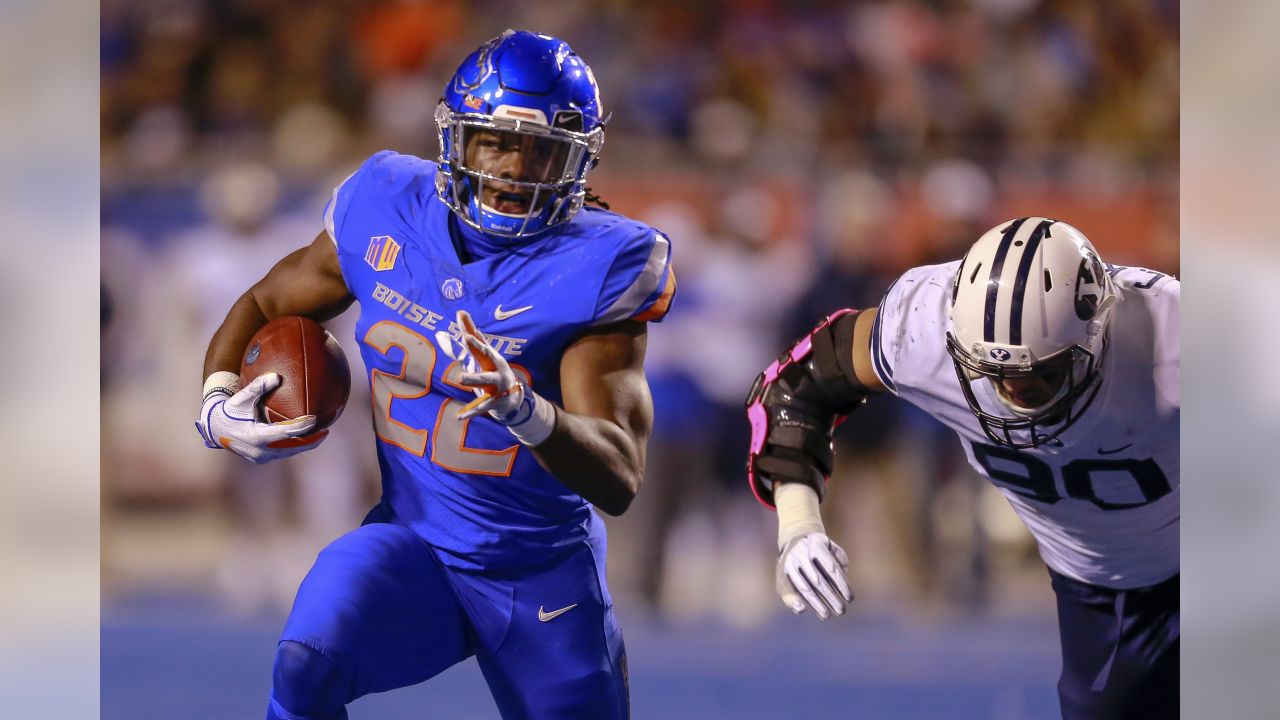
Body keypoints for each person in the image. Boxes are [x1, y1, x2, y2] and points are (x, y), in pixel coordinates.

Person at [195, 30, 676, 720]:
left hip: (540, 574)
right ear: (456, 139)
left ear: (579, 162)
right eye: (497, 142)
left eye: (543, 150)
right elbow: (269, 302)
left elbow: (621, 474)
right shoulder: (384, 201)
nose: (515, 169)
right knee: (305, 663)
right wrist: (215, 397)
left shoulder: (601, 262)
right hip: (410, 544)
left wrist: (525, 411)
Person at [745, 217, 1178, 719]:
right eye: (993, 374)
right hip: (1101, 583)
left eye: (1041, 374)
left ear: (1097, 333)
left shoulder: (1178, 343)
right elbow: (796, 389)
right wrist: (797, 525)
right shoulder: (925, 326)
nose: (1016, 394)